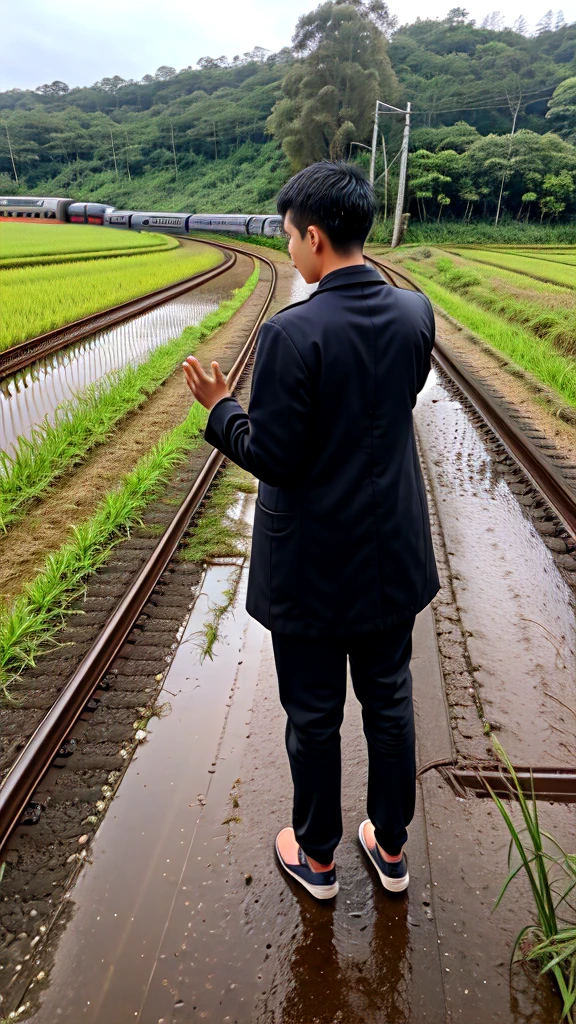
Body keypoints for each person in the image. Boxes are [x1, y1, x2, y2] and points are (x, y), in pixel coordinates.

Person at [182, 161, 438, 901]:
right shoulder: (414, 313)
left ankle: (317, 858)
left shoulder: (293, 334)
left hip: (313, 569)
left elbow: (275, 457)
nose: (289, 250)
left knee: (315, 715)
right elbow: (391, 406)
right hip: (391, 554)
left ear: (316, 238)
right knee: (389, 703)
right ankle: (391, 850)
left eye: (290, 236)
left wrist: (221, 407)